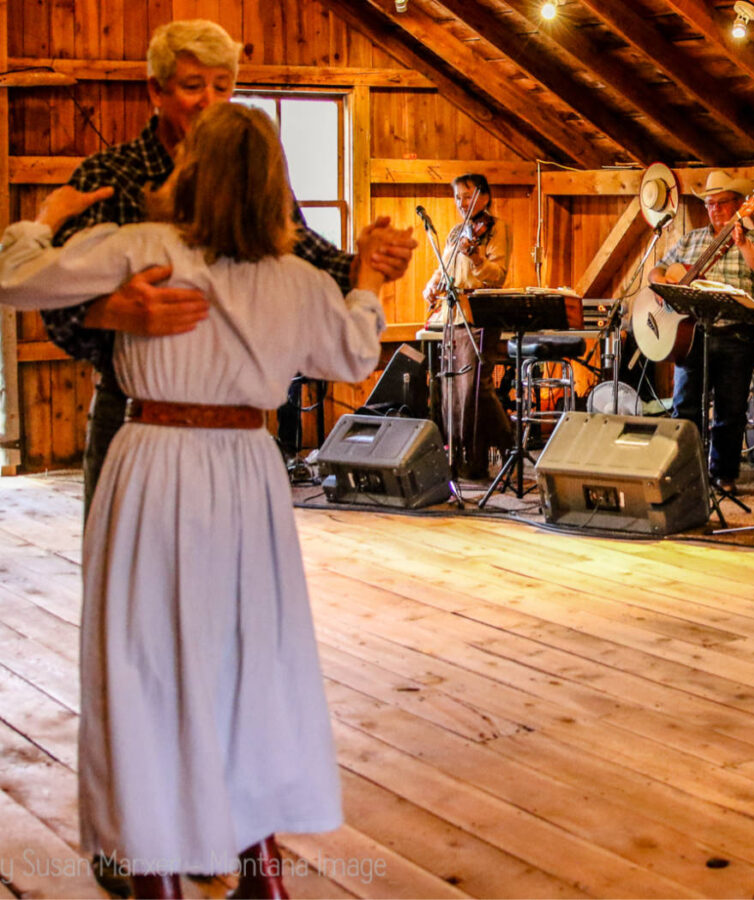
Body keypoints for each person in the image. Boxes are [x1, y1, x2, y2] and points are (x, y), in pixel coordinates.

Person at [1, 102, 409, 898]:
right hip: (249, 471)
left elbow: (15, 278)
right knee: (248, 658)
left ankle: (154, 870)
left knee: (142, 659)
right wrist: (364, 281)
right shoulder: (293, 279)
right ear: (273, 191)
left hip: (154, 462)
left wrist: (43, 217)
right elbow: (355, 350)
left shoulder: (144, 247)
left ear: (191, 176)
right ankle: (260, 865)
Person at [40, 19, 411, 516]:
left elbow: (312, 260)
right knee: (128, 575)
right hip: (134, 412)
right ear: (157, 89)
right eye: (193, 87)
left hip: (240, 423)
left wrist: (368, 263)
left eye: (223, 86)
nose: (209, 100)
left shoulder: (251, 178)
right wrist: (110, 312)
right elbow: (54, 305)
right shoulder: (111, 177)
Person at [648, 170, 754, 491]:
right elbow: (657, 269)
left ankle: (724, 475)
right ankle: (685, 472)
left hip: (736, 335)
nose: (714, 209)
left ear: (739, 205)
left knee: (730, 411)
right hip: (692, 336)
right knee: (684, 407)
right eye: (709, 203)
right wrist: (663, 282)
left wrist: (743, 241)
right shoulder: (691, 239)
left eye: (720, 203)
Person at [421, 173, 512, 478]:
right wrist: (432, 286)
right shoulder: (454, 232)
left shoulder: (497, 229)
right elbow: (443, 268)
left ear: (485, 196)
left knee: (476, 388)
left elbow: (497, 275)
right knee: (456, 393)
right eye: (457, 196)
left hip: (481, 314)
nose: (461, 202)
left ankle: (507, 446)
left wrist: (475, 258)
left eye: (467, 195)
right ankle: (468, 461)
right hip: (453, 315)